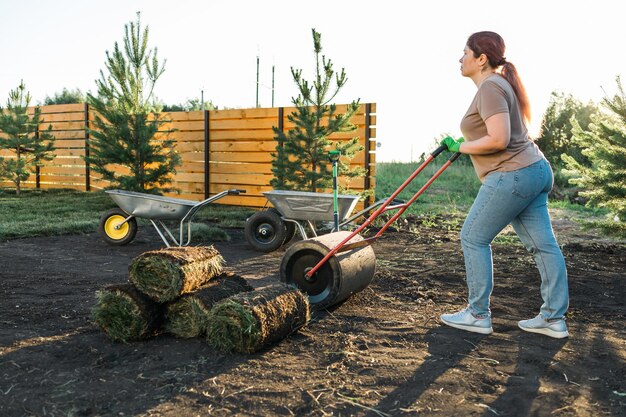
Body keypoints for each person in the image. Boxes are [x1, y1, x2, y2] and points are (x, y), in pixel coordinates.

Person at [438, 31, 569, 338]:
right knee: (543, 246)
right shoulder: (498, 85)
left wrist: (460, 147)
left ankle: (477, 314)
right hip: (533, 170)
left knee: (472, 236)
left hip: (512, 174)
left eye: (465, 52)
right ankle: (553, 318)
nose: (460, 58)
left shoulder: (491, 86)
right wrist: (463, 143)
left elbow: (498, 139)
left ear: (481, 59)